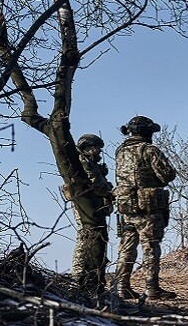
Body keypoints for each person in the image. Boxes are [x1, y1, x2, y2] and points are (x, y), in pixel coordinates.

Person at [113, 115, 178, 300]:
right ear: (147, 132)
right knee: (150, 247)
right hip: (147, 208)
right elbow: (168, 174)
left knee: (126, 248)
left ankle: (121, 287)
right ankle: (152, 288)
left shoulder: (120, 151)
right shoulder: (149, 150)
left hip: (126, 207)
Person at [67, 133, 114, 299]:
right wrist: (110, 190)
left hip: (92, 205)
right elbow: (97, 185)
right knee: (84, 237)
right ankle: (78, 275)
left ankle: (86, 275)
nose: (99, 150)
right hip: (84, 206)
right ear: (87, 147)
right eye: (96, 147)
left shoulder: (90, 163)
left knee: (90, 238)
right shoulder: (84, 162)